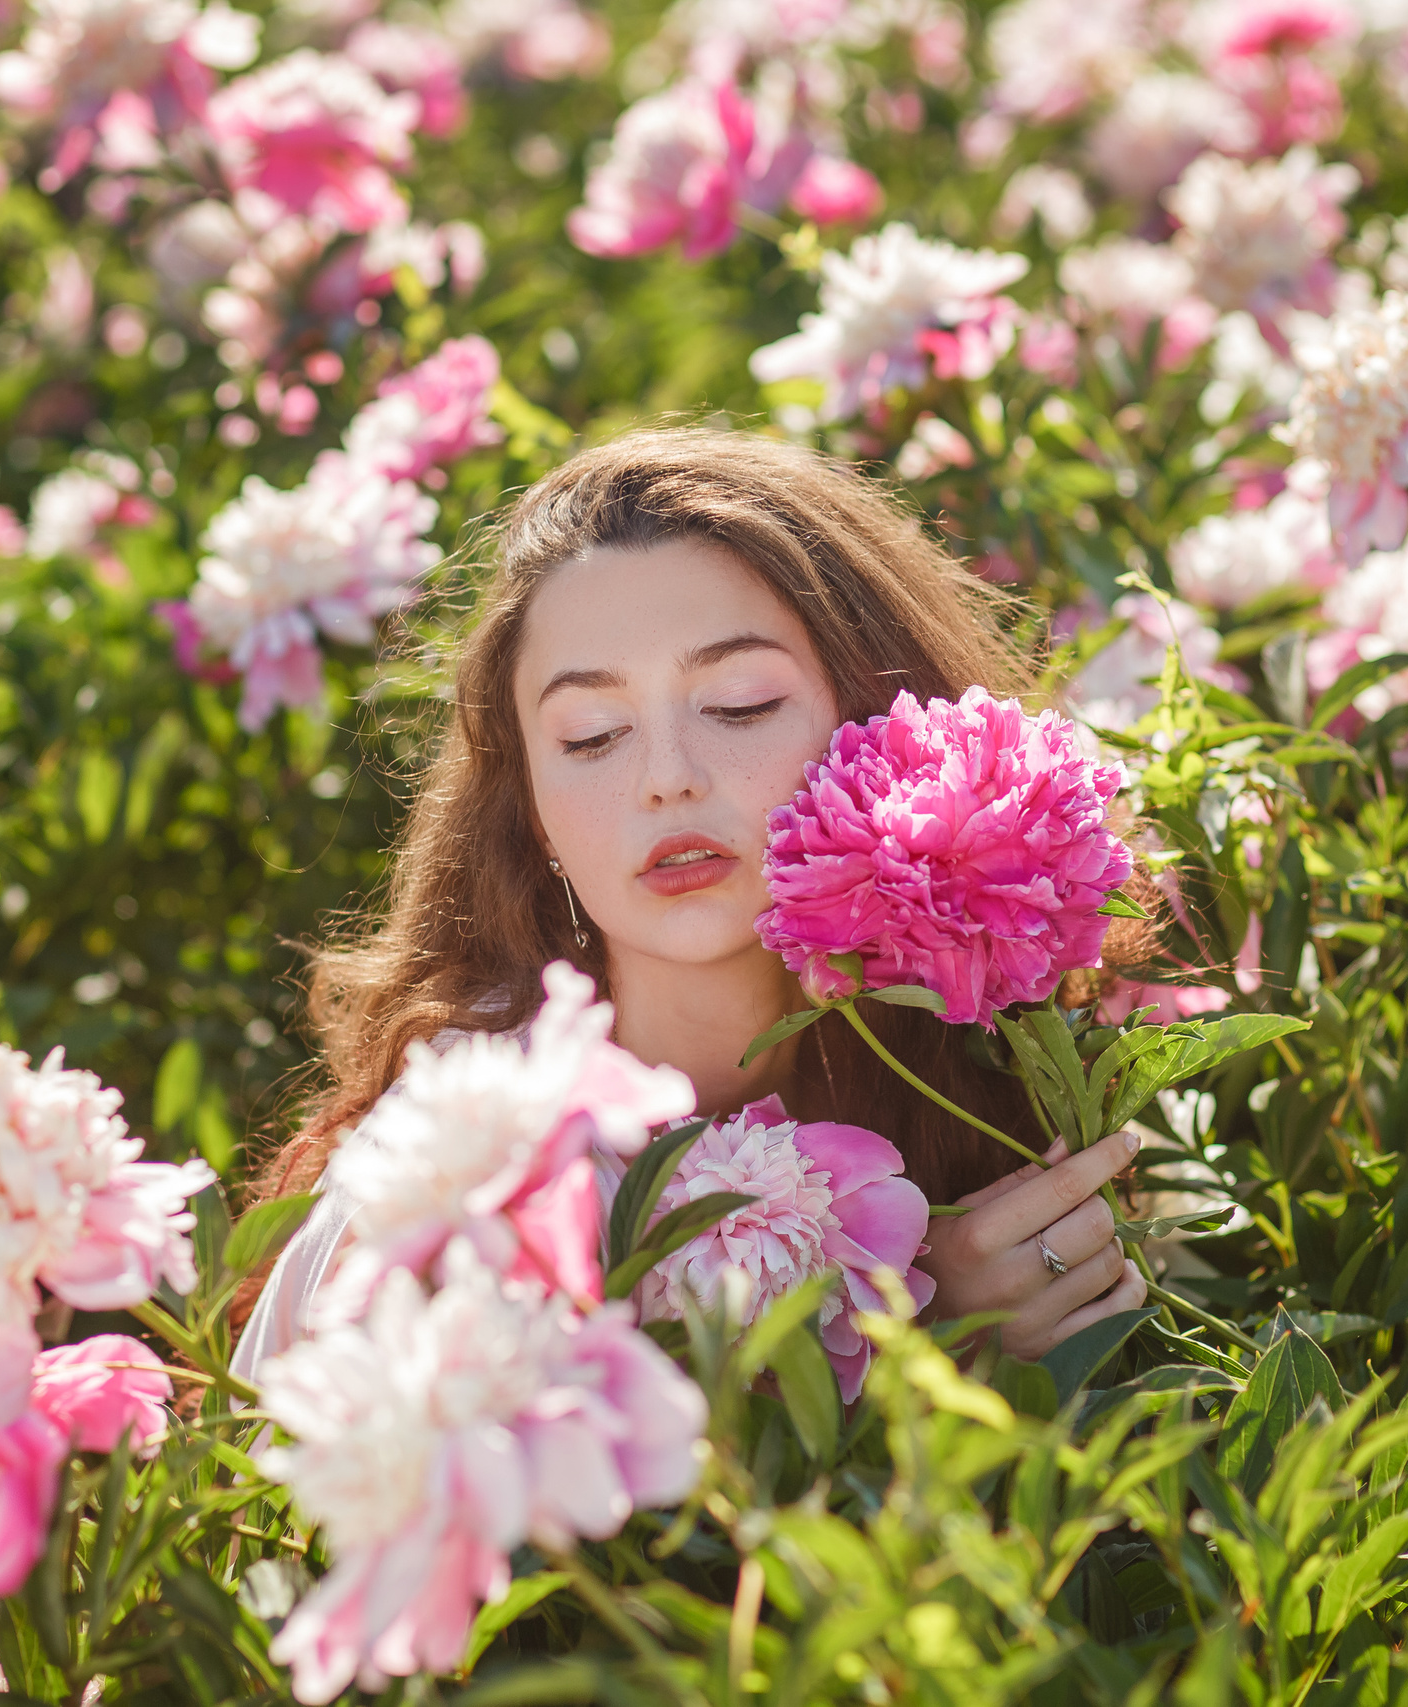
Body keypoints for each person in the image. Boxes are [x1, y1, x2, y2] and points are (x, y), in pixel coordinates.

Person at [235, 427, 1150, 1378]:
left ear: (890, 732)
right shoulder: (463, 1188)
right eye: (592, 736)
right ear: (536, 818)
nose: (667, 780)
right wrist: (941, 1350)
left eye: (741, 703)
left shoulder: (1001, 1065)